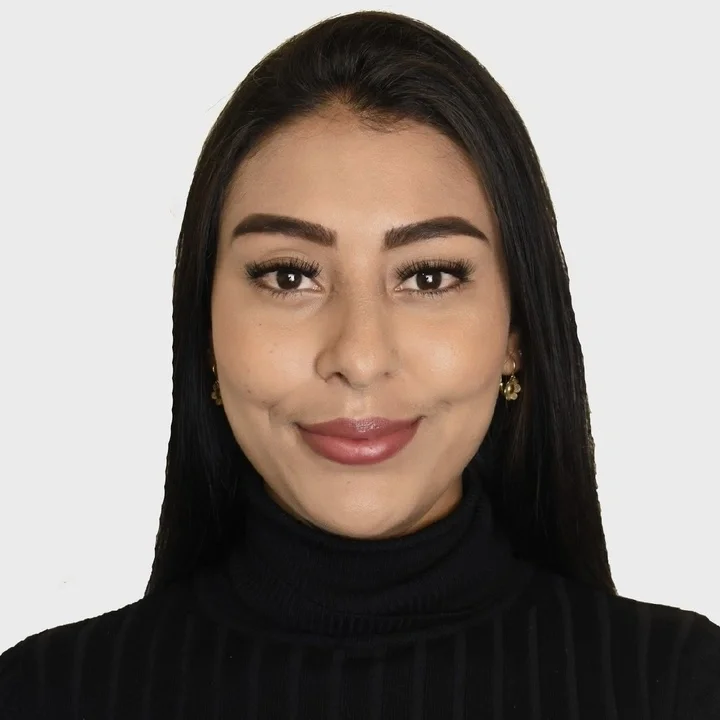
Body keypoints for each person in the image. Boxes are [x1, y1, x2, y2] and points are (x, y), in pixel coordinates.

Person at [1, 9, 718, 718]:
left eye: (429, 277)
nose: (360, 358)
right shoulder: (41, 695)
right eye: (289, 276)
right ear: (206, 330)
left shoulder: (685, 688)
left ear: (516, 334)